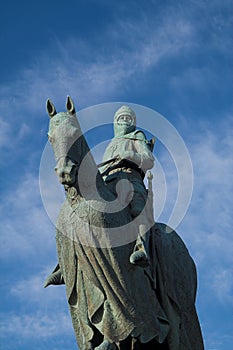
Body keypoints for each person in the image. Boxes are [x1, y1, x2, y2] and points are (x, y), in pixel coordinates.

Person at [99, 105, 155, 267]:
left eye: (127, 118)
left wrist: (129, 155)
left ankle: (141, 247)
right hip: (108, 181)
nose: (124, 121)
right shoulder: (112, 143)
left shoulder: (137, 136)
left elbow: (149, 160)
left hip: (130, 178)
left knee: (138, 209)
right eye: (121, 118)